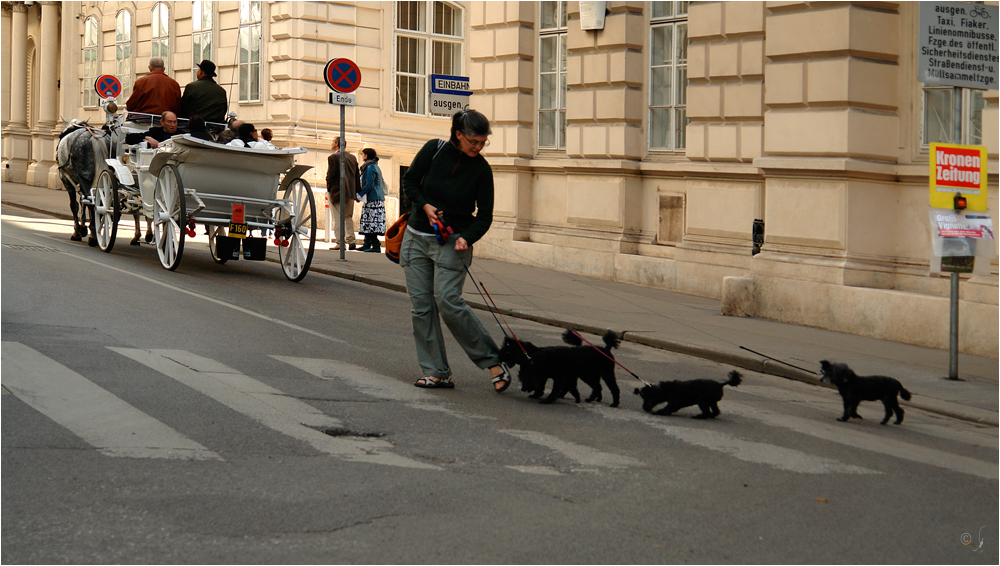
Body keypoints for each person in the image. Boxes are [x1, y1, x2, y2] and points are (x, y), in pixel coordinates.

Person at [399, 109, 511, 392]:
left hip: (452, 243)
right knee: (422, 309)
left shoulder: (482, 170)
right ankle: (436, 372)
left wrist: (467, 238)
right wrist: (424, 205)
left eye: (483, 142)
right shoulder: (433, 150)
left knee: (448, 301)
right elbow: (410, 182)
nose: (478, 147)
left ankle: (494, 362)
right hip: (415, 240)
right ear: (458, 135)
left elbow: (484, 215)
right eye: (473, 141)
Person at [326, 136, 360, 250]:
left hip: (337, 191)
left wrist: (329, 189)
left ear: (336, 144)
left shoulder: (333, 157)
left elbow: (330, 176)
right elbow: (356, 176)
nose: (331, 144)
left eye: (332, 142)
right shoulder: (352, 157)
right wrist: (357, 192)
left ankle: (340, 243)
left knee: (337, 218)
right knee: (348, 217)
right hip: (350, 192)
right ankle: (351, 240)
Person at [357, 147, 387, 253]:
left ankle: (375, 245)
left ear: (366, 155)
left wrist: (359, 194)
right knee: (367, 222)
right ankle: (367, 243)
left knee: (372, 223)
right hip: (371, 198)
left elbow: (369, 184)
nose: (362, 156)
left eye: (363, 154)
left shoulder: (371, 167)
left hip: (374, 199)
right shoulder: (371, 166)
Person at [180, 60, 228, 124]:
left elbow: (183, 108)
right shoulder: (221, 91)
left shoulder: (191, 87)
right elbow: (224, 110)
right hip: (216, 127)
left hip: (195, 125)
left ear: (200, 72)